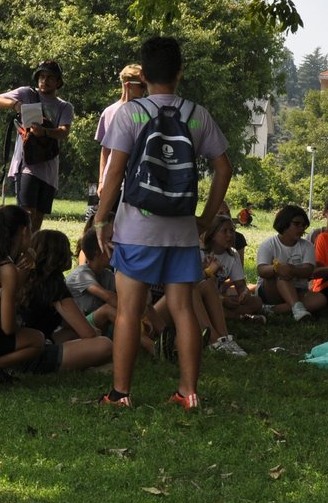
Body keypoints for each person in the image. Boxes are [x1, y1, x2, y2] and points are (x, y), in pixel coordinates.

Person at [95, 36, 233, 409]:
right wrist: (206, 217)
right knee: (183, 309)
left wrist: (99, 220)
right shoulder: (196, 114)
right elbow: (224, 168)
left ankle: (120, 393)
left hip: (137, 229)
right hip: (182, 229)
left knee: (127, 311)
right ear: (180, 72)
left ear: (143, 73)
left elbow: (114, 174)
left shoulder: (129, 113)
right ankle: (188, 392)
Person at [0, 205, 112, 391]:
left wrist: (30, 258)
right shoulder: (10, 270)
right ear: (25, 232)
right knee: (40, 340)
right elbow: (8, 328)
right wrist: (21, 337)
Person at [0, 59, 73, 231]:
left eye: (50, 77)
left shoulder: (65, 107)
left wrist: (46, 132)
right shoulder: (26, 94)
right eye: (41, 76)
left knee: (38, 218)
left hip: (49, 169)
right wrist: (15, 104)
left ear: (58, 81)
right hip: (26, 166)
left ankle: (31, 252)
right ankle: (18, 251)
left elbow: (64, 132)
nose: (44, 80)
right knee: (26, 214)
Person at [84, 63, 147, 230]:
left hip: (138, 179)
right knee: (107, 225)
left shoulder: (148, 112)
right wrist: (102, 180)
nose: (145, 91)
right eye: (142, 86)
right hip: (113, 180)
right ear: (127, 85)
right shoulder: (110, 112)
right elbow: (105, 150)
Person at [256, 205, 328, 321]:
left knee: (320, 300)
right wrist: (277, 269)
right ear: (284, 223)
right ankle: (297, 309)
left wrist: (292, 269)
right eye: (296, 224)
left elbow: (309, 271)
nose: (301, 228)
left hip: (298, 290)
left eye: (303, 225)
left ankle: (273, 310)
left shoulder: (307, 246)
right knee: (283, 274)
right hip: (271, 291)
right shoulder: (268, 244)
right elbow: (261, 270)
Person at [203, 214, 264, 323]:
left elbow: (241, 285)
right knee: (208, 307)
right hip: (203, 299)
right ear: (213, 234)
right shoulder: (201, 253)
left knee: (257, 302)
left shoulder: (233, 254)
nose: (230, 235)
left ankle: (230, 315)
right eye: (224, 231)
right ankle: (241, 317)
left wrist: (244, 294)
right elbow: (195, 286)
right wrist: (222, 300)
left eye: (232, 230)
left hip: (221, 297)